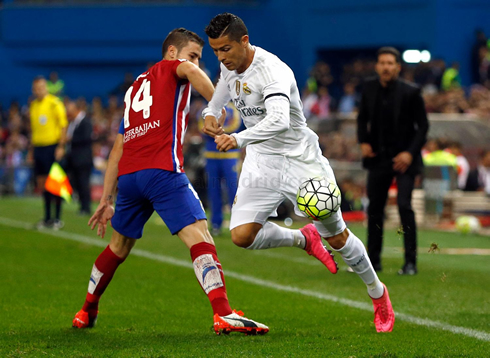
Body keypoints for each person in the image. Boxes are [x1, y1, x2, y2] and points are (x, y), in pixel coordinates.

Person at [202, 13, 394, 333]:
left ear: (244, 41)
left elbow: (279, 121)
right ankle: (302, 238)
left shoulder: (273, 72)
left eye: (225, 49)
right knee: (241, 236)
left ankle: (378, 293)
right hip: (262, 161)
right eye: (216, 51)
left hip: (300, 160)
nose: (221, 57)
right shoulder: (229, 64)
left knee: (337, 237)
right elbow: (223, 85)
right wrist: (211, 111)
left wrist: (237, 138)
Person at [72, 28, 268, 336]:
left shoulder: (135, 88)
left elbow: (117, 149)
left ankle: (86, 309)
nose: (196, 63)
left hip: (130, 179)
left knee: (118, 246)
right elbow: (190, 71)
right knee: (200, 235)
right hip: (162, 172)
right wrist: (217, 104)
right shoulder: (172, 68)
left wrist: (106, 199)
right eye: (193, 55)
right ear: (173, 54)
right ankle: (223, 313)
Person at [357, 47, 429, 276]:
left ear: (397, 67)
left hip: (405, 160)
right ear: (377, 66)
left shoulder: (411, 92)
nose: (386, 67)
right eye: (382, 63)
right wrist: (363, 142)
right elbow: (361, 120)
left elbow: (423, 127)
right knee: (375, 210)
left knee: (405, 207)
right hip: (378, 158)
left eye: (390, 63)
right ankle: (373, 262)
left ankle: (410, 263)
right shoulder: (368, 88)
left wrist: (409, 153)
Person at [29, 76, 68, 230]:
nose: (40, 90)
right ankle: (46, 218)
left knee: (55, 182)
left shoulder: (54, 103)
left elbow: (63, 126)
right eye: (37, 88)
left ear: (46, 87)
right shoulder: (33, 105)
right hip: (39, 147)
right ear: (34, 90)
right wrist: (32, 150)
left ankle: (57, 218)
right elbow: (34, 130)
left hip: (52, 146)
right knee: (42, 184)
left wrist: (61, 146)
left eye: (42, 87)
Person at [202, 103, 243, 236]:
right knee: (213, 191)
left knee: (233, 190)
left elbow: (235, 125)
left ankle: (237, 224)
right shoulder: (207, 109)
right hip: (211, 155)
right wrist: (220, 129)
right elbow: (200, 127)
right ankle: (216, 224)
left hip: (229, 154)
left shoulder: (233, 108)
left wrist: (216, 129)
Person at [65, 99, 93, 215]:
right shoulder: (73, 122)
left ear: (76, 110)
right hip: (75, 159)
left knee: (83, 183)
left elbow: (86, 138)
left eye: (69, 110)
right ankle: (82, 206)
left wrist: (71, 139)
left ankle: (86, 207)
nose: (68, 113)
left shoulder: (85, 122)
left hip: (83, 159)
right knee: (77, 182)